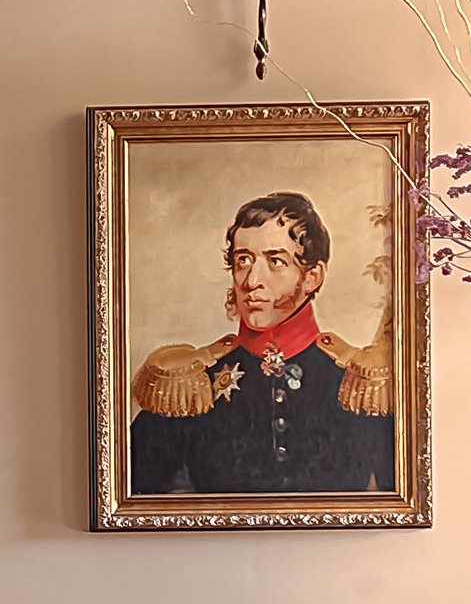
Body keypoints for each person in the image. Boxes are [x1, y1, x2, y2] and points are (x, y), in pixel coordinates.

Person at [129, 188, 394, 496]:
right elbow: (133, 501)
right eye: (243, 260)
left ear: (312, 276)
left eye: (275, 261)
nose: (251, 280)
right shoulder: (187, 383)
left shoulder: (359, 385)